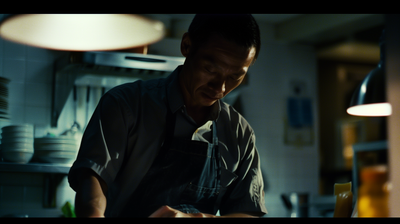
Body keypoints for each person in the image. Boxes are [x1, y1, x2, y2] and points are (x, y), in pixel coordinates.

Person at [68, 14, 268, 218]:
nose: (220, 87)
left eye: (236, 77)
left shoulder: (239, 132)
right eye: (210, 69)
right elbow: (91, 180)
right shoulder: (124, 104)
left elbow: (248, 213)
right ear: (187, 45)